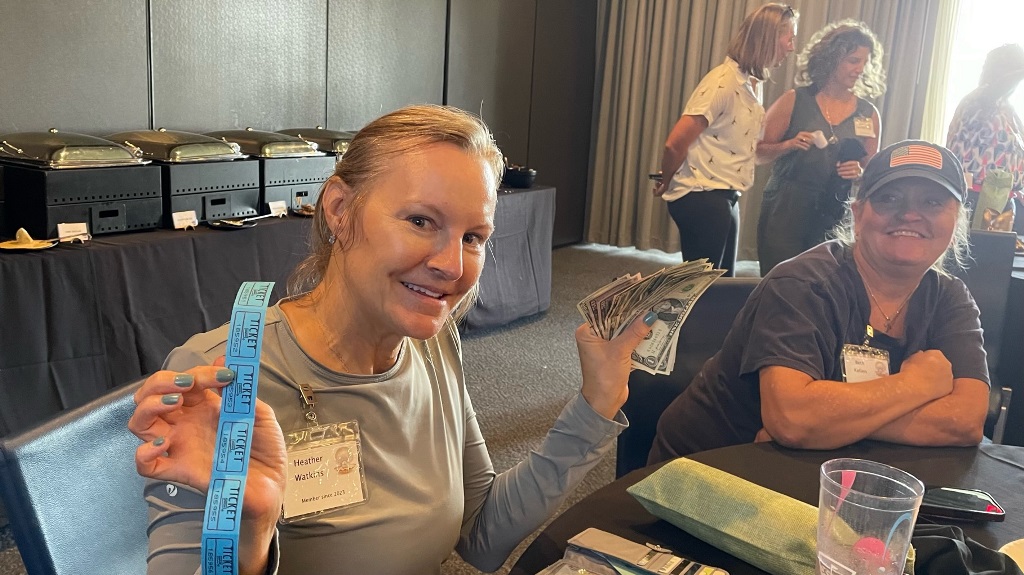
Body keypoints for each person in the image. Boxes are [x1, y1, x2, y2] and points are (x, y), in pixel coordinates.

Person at [128, 105, 657, 575]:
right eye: (421, 220)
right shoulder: (224, 373)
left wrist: (597, 403)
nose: (452, 266)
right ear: (339, 209)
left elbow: (480, 534)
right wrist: (249, 536)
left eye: (473, 238)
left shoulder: (431, 341)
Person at [649, 140, 990, 462]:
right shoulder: (803, 284)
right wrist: (917, 385)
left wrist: (829, 425)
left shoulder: (951, 298)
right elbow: (794, 419)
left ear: (955, 219)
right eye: (889, 198)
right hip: (709, 470)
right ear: (858, 215)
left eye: (932, 202)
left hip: (820, 471)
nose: (910, 215)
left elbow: (966, 420)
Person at [654, 3, 798, 276]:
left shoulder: (752, 84)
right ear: (767, 37)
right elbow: (674, 143)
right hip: (702, 195)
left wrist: (789, 146)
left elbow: (748, 149)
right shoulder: (723, 81)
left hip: (725, 195)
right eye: (789, 38)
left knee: (722, 286)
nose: (791, 47)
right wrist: (666, 179)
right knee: (701, 291)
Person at [756, 20, 885, 276]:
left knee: (823, 287)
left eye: (864, 62)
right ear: (831, 59)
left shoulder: (868, 114)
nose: (860, 69)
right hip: (786, 208)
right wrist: (788, 145)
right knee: (779, 282)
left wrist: (858, 172)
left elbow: (872, 172)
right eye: (853, 60)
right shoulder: (795, 99)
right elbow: (758, 153)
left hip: (834, 213)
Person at [946, 43, 1024, 233]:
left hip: (1001, 197)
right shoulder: (981, 100)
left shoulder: (1005, 108)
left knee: (996, 257)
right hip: (978, 197)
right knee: (982, 256)